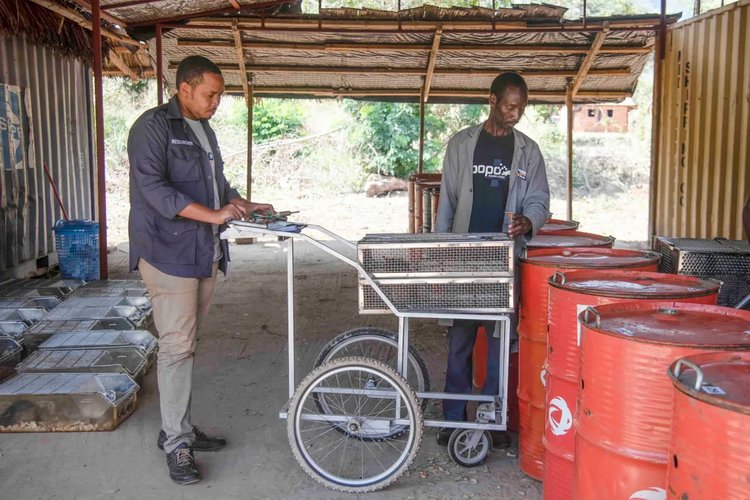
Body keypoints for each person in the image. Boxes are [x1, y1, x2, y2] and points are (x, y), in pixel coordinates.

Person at [128, 55, 274, 485]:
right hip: (166, 253)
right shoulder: (152, 128)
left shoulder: (203, 130)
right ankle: (176, 444)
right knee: (176, 346)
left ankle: (180, 429)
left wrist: (242, 203)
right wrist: (214, 215)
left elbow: (217, 186)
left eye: (219, 96)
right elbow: (154, 190)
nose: (216, 103)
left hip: (202, 253)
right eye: (210, 95)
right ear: (185, 88)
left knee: (185, 343)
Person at [434, 72, 550, 446]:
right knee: (460, 342)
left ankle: (491, 421)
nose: (516, 113)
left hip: (504, 261)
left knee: (500, 344)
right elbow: (447, 204)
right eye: (510, 106)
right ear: (492, 100)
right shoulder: (462, 144)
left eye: (522, 107)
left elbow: (539, 198)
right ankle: (453, 419)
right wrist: (441, 255)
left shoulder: (528, 151)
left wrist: (528, 219)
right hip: (465, 259)